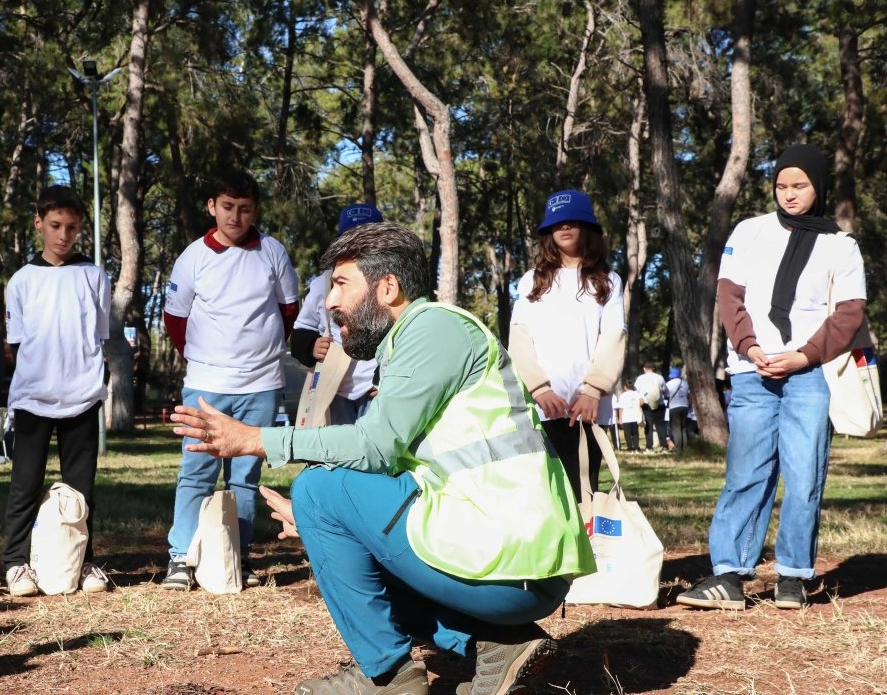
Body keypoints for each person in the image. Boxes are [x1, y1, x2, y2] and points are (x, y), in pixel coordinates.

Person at [170, 222, 593, 695]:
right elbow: (396, 464)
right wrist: (317, 519)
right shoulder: (414, 340)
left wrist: (259, 441)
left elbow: (374, 447)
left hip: (514, 563)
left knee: (317, 486)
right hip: (509, 562)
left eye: (341, 283)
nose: (330, 301)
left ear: (387, 286)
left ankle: (388, 677)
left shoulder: (433, 328)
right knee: (323, 503)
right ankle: (495, 647)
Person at [677, 143, 866, 611]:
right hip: (752, 372)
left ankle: (793, 576)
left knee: (804, 476)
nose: (789, 194)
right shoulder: (750, 231)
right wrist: (752, 348)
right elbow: (729, 296)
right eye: (781, 185)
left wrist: (803, 356)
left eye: (799, 185)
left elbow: (849, 314)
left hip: (810, 375)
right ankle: (729, 575)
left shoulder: (840, 245)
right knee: (746, 473)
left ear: (818, 187)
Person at [161, 169, 300, 591]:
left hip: (261, 385)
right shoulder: (193, 257)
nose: (235, 217)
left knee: (244, 478)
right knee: (197, 472)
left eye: (244, 209)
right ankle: (181, 558)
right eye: (227, 208)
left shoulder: (273, 252)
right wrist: (207, 361)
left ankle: (234, 556)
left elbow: (288, 310)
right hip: (205, 386)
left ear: (255, 211)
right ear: (212, 207)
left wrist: (258, 356)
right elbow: (175, 318)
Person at [0, 185, 112, 597]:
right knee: (25, 484)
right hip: (33, 400)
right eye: (55, 226)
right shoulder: (21, 281)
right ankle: (15, 563)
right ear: (39, 224)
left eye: (72, 227)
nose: (63, 235)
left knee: (81, 489)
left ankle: (83, 563)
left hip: (82, 397)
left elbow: (99, 335)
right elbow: (17, 343)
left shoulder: (95, 276)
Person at [509, 189, 625, 502]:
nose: (564, 227)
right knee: (543, 495)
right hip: (543, 405)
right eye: (557, 223)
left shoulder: (608, 280)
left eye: (573, 220)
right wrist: (539, 389)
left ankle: (585, 551)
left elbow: (614, 336)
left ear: (588, 227)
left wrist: (593, 390)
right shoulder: (532, 280)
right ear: (548, 232)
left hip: (587, 407)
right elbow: (519, 339)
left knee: (582, 491)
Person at [289, 204, 383, 425]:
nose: (358, 249)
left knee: (376, 454)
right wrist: (310, 347)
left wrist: (390, 381)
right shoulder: (323, 284)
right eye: (350, 242)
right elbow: (301, 329)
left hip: (375, 388)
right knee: (338, 452)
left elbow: (405, 335)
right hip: (334, 389)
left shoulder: (389, 284)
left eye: (367, 241)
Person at [634, 363, 667, 451]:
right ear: (654, 368)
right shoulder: (659, 377)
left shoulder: (640, 378)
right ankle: (664, 446)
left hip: (646, 404)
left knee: (648, 425)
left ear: (644, 369)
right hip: (659, 403)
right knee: (660, 425)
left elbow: (637, 391)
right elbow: (664, 390)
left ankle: (649, 446)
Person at [663, 367, 690, 451]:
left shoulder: (669, 384)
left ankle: (678, 447)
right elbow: (689, 394)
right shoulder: (685, 383)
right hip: (685, 406)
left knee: (676, 428)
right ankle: (685, 447)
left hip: (674, 407)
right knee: (683, 427)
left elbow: (666, 396)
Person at [615, 382, 643, 452]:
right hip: (635, 416)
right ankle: (636, 447)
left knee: (627, 434)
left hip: (626, 417)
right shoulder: (636, 393)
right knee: (635, 433)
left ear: (625, 387)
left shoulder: (623, 395)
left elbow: (621, 408)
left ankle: (630, 447)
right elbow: (642, 402)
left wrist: (620, 418)